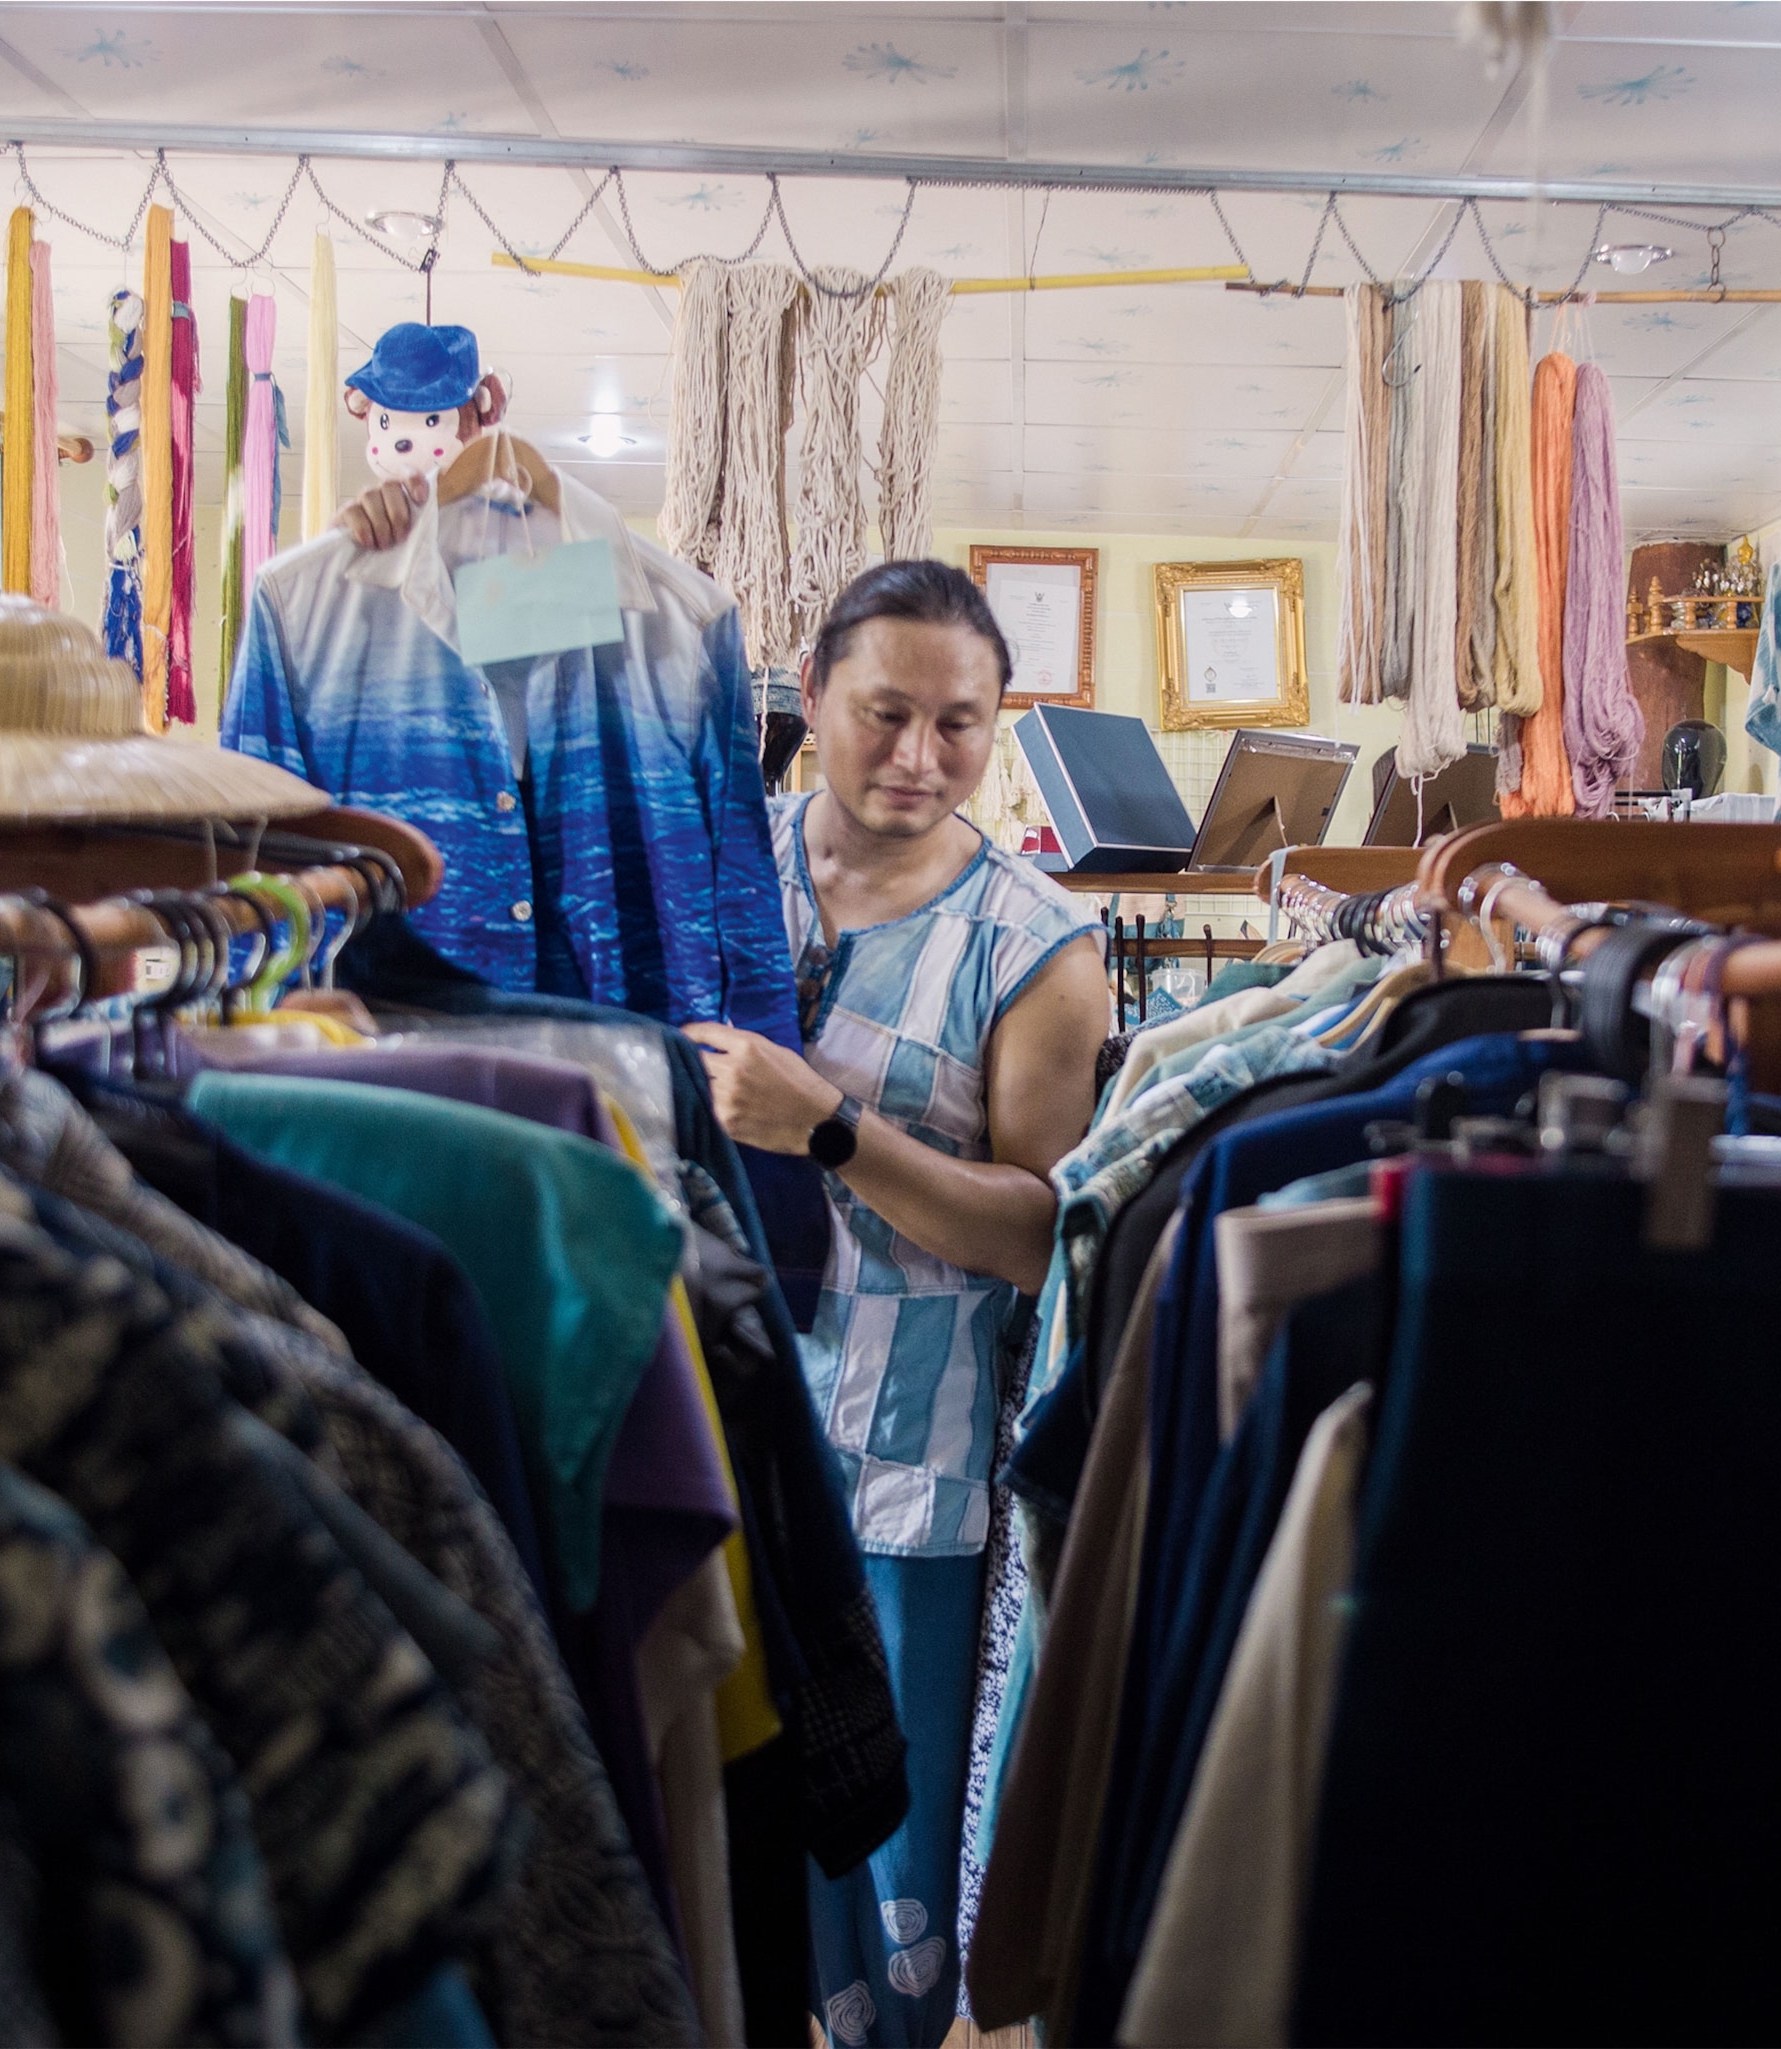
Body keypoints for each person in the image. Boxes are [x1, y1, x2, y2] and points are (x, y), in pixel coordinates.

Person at [685, 559, 1111, 2046]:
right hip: (716, 1451)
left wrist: (833, 1132)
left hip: (908, 1494)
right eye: (884, 714)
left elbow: (1036, 1233)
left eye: (961, 723)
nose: (920, 757)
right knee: (718, 1873)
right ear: (811, 699)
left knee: (886, 1900)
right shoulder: (720, 873)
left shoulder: (1037, 947)